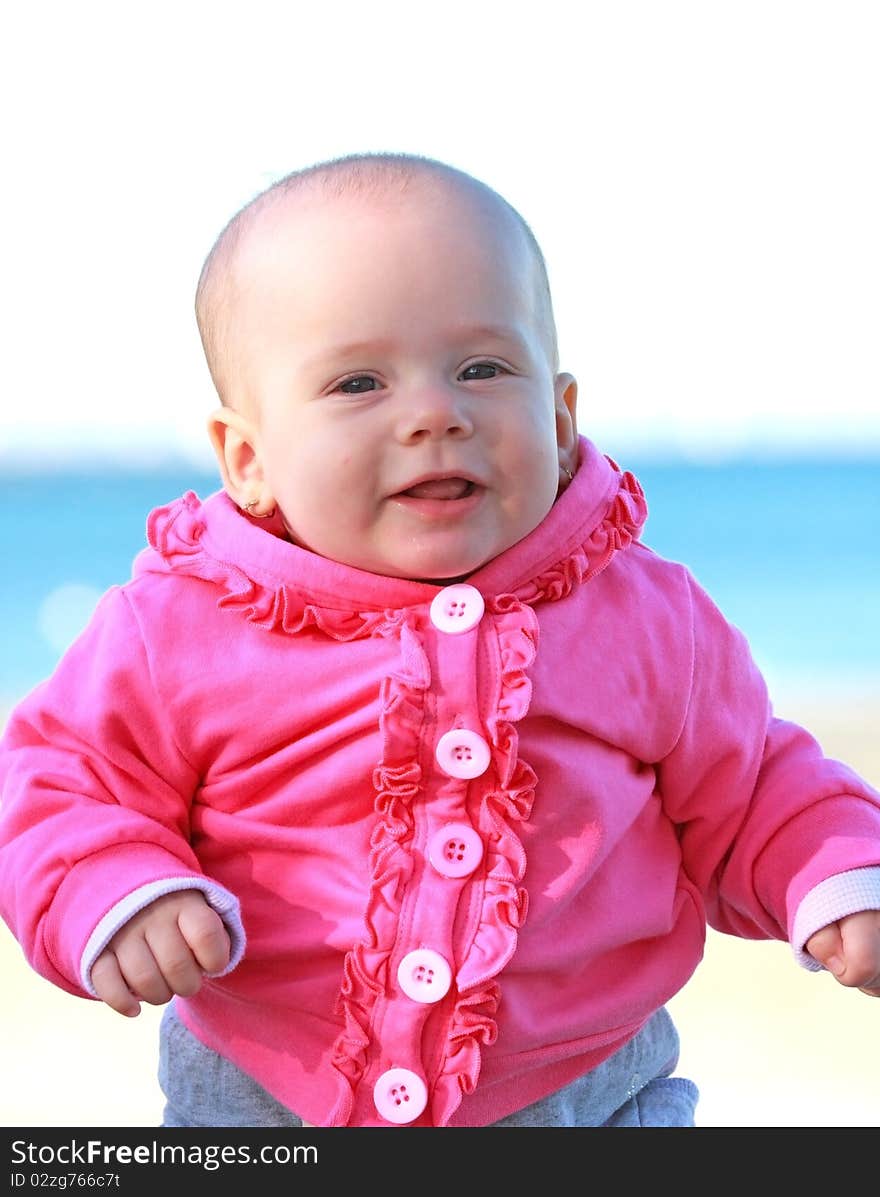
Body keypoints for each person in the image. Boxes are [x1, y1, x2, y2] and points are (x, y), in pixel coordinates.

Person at [1, 152, 878, 1130]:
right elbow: (62, 779)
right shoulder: (181, 624)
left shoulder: (643, 615)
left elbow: (751, 783)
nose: (434, 414)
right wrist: (114, 888)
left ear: (557, 414)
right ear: (249, 460)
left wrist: (835, 877)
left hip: (586, 1085)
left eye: (481, 368)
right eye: (358, 383)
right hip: (269, 1090)